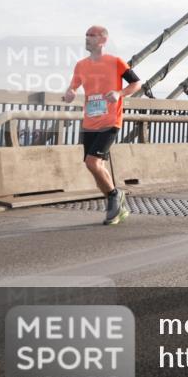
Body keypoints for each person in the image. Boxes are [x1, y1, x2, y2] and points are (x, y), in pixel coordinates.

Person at [63, 25, 142, 226]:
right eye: (86, 35)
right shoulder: (81, 65)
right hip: (90, 122)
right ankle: (116, 204)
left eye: (91, 35)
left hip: (110, 121)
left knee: (92, 162)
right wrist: (70, 93)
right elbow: (73, 87)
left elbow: (137, 83)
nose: (87, 38)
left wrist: (119, 94)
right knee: (97, 167)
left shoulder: (115, 62)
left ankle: (114, 196)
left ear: (103, 40)